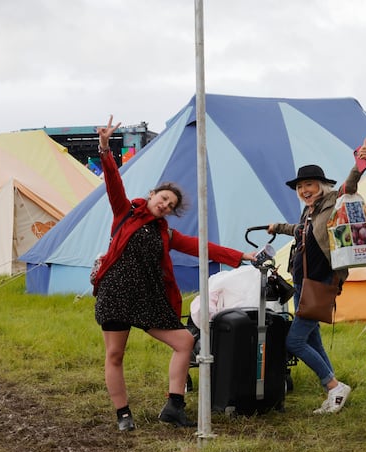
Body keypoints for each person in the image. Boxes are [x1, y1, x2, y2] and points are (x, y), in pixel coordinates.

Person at [93, 116, 258, 432]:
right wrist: (104, 148)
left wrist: (241, 256)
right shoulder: (125, 213)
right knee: (115, 354)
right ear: (153, 194)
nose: (165, 206)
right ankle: (123, 414)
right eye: (163, 199)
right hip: (116, 292)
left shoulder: (165, 234)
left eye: (170, 205)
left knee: (184, 342)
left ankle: (174, 405)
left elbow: (202, 246)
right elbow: (114, 183)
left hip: (147, 297)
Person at [266, 140, 366, 414]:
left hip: (322, 281)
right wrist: (277, 227)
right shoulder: (309, 211)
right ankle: (334, 389)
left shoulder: (334, 201)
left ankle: (335, 387)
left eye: (309, 185)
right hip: (303, 281)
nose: (304, 191)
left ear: (321, 186)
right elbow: (301, 230)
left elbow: (351, 185)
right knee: (313, 340)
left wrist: (359, 164)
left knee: (295, 341)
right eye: (300, 187)